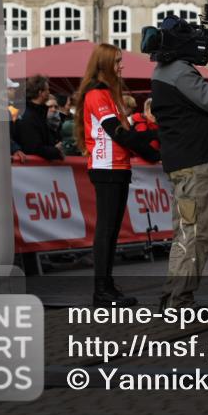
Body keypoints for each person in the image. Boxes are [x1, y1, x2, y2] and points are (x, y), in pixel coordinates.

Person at [151, 16, 208, 310]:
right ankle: (180, 299)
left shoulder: (164, 70)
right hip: (194, 165)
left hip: (182, 163)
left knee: (185, 232)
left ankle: (172, 296)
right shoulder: (180, 73)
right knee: (198, 233)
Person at [73, 44, 160, 307]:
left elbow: (125, 135)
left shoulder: (109, 94)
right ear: (104, 64)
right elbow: (118, 133)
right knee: (106, 230)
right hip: (106, 167)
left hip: (118, 166)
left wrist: (154, 152)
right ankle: (101, 290)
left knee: (111, 232)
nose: (121, 66)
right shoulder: (97, 94)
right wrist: (155, 136)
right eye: (117, 61)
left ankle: (107, 286)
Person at [15, 75, 64, 161]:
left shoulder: (39, 113)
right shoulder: (28, 115)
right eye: (47, 90)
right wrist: (55, 150)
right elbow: (34, 147)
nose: (49, 92)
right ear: (40, 93)